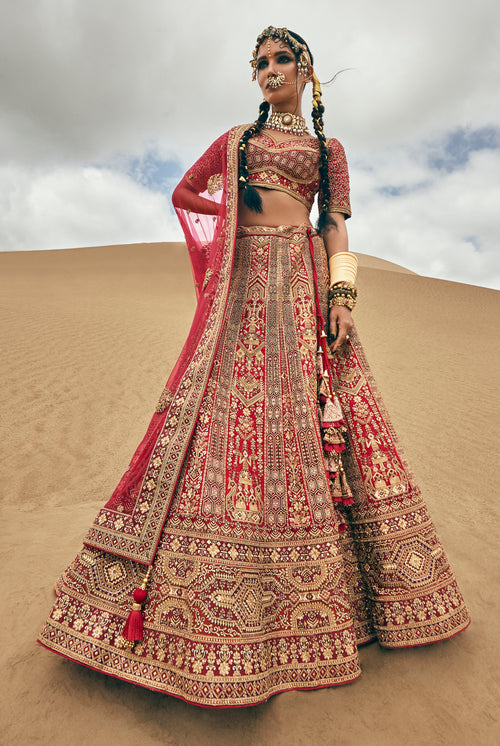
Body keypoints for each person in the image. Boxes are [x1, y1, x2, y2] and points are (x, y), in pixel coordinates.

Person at [38, 26, 470, 707]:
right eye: (259, 63)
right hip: (241, 289)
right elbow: (185, 193)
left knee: (309, 416)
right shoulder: (235, 140)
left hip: (300, 281)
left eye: (280, 61)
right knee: (224, 417)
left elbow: (335, 227)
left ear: (305, 70)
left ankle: (350, 603)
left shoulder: (329, 151)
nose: (268, 71)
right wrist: (231, 220)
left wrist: (344, 297)